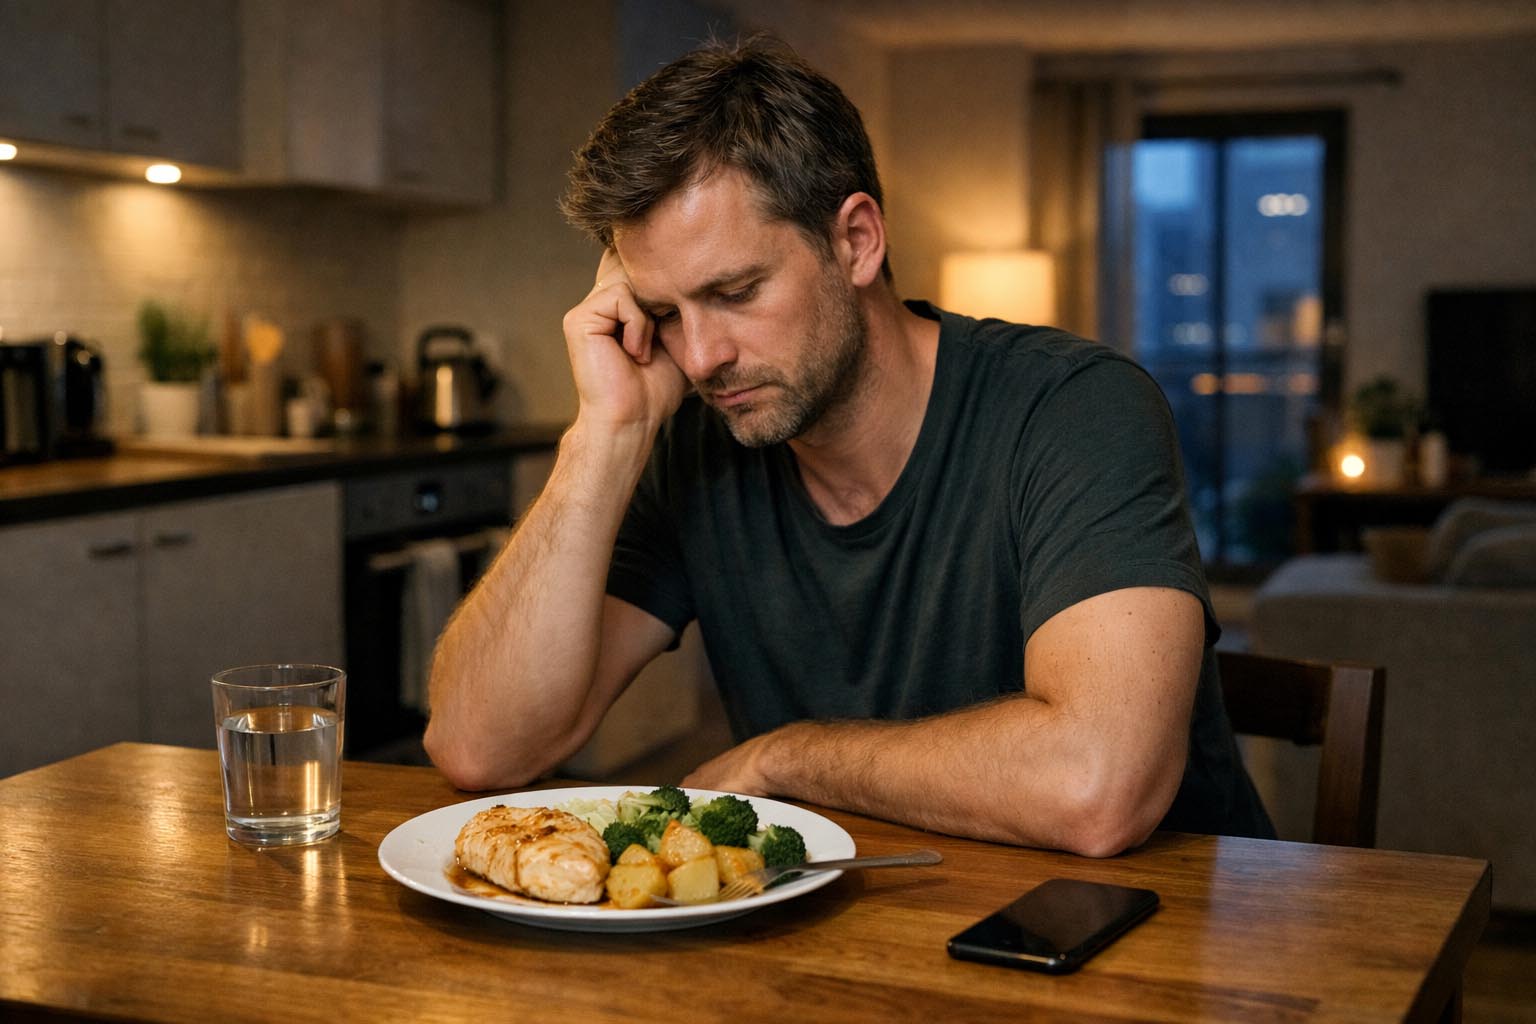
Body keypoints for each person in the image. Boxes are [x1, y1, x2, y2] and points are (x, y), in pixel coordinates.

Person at [424, 37, 1273, 855]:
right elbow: (480, 749)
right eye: (667, 313)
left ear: (857, 240)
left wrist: (783, 759)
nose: (702, 355)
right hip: (871, 937)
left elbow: (1099, 788)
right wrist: (604, 435)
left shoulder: (1075, 408)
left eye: (736, 290)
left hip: (1160, 944)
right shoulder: (696, 446)